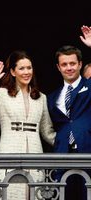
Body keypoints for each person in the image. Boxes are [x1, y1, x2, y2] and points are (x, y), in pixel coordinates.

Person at [0, 50, 56, 200]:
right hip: (9, 151)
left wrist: (69, 144)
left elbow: (46, 131)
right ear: (12, 71)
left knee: (34, 194)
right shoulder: (1, 93)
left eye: (29, 68)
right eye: (22, 68)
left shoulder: (41, 97)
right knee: (10, 194)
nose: (26, 72)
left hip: (35, 154)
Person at [47, 25, 91, 200]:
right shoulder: (51, 97)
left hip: (88, 153)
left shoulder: (89, 87)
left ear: (80, 64)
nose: (69, 67)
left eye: (73, 63)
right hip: (63, 157)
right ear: (58, 67)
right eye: (64, 64)